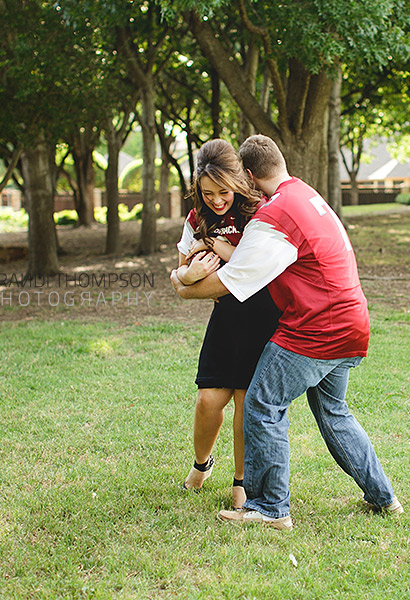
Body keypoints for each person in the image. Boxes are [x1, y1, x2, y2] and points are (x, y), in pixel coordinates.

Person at [170, 134, 402, 531]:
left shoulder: (273, 217)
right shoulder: (305, 195)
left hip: (316, 328)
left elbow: (233, 282)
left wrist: (181, 285)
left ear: (246, 175)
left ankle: (270, 508)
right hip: (351, 321)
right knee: (334, 412)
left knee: (261, 403)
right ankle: (384, 498)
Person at [174, 139, 280, 509]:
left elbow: (254, 269)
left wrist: (218, 250)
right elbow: (182, 271)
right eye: (208, 193)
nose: (217, 200)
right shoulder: (197, 218)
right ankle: (201, 465)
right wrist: (190, 277)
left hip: (263, 315)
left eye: (223, 191)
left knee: (244, 405)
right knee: (207, 400)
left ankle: (241, 482)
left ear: (238, 182)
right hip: (226, 316)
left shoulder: (259, 212)